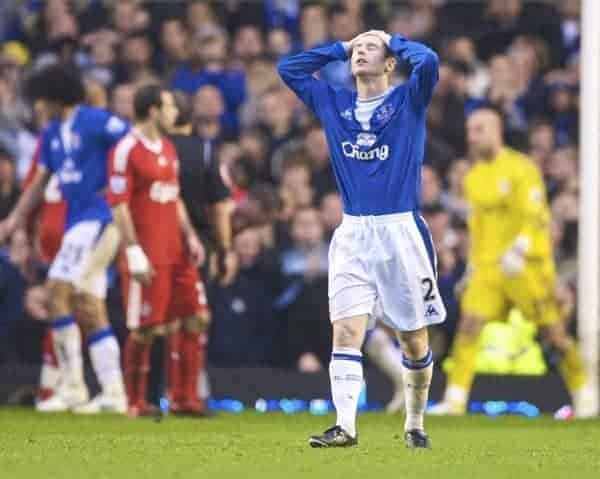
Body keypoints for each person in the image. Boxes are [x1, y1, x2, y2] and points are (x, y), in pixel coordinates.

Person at [278, 30, 445, 449]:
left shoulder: (408, 100)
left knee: (413, 338)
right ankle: (345, 426)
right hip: (353, 232)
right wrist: (341, 46)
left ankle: (414, 420)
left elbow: (428, 60)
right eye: (357, 49)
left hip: (400, 231)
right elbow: (289, 69)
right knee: (347, 330)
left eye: (370, 49)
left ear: (390, 64)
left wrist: (390, 38)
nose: (360, 52)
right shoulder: (332, 101)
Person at [429, 108, 593, 417]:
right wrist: (472, 267)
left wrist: (520, 249)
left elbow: (536, 215)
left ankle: (584, 390)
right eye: (470, 130)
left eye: (479, 129)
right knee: (468, 326)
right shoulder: (474, 178)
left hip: (526, 265)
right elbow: (477, 227)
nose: (472, 136)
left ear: (496, 130)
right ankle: (455, 398)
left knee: (554, 334)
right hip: (489, 268)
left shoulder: (521, 168)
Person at [0, 64, 128, 413]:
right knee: (87, 303)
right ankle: (113, 392)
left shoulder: (98, 121)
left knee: (58, 291)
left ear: (54, 95)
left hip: (99, 219)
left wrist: (118, 187)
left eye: (39, 99)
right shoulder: (52, 134)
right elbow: (39, 183)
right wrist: (13, 220)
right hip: (78, 223)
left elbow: (134, 145)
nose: (36, 107)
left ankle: (73, 386)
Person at [107, 84, 205, 417]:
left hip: (175, 251)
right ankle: (134, 402)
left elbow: (173, 195)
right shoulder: (126, 150)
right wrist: (132, 250)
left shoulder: (167, 147)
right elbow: (118, 205)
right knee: (146, 328)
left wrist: (190, 235)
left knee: (196, 317)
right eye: (167, 106)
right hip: (147, 254)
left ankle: (184, 398)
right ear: (152, 110)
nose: (173, 113)